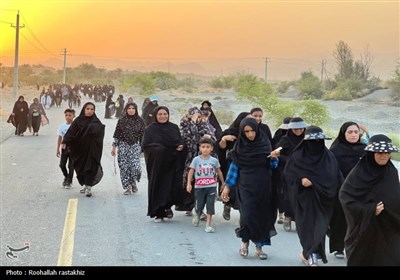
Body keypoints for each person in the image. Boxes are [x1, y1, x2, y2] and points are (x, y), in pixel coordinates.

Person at [221, 118, 280, 260]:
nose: (250, 134)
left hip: (263, 186)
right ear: (242, 132)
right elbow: (234, 168)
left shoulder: (264, 144)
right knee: (247, 215)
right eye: (246, 131)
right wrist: (227, 187)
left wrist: (273, 158)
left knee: (261, 216)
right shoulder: (239, 148)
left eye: (253, 130)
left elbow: (273, 167)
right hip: (245, 186)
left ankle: (259, 247)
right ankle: (244, 243)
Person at [283, 126, 342, 266]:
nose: (315, 144)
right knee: (308, 228)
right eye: (312, 141)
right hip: (305, 200)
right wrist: (300, 180)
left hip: (324, 200)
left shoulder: (329, 157)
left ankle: (308, 253)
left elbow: (336, 177)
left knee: (320, 228)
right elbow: (288, 175)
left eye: (319, 141)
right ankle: (311, 254)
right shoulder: (298, 156)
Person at [339, 134, 400, 266]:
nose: (384, 156)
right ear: (371, 153)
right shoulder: (359, 173)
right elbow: (345, 197)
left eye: (387, 152)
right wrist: (369, 209)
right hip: (365, 230)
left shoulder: (391, 171)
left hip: (389, 227)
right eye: (379, 152)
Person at [329, 122, 366, 259]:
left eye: (356, 132)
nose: (353, 135)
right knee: (341, 219)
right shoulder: (336, 150)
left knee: (361, 220)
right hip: (342, 190)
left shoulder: (365, 149)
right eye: (349, 132)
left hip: (362, 190)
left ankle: (359, 247)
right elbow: (332, 170)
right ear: (343, 133)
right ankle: (339, 247)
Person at [142, 106, 184, 222]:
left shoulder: (174, 127)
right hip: (158, 165)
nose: (162, 116)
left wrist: (181, 146)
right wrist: (158, 149)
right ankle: (158, 212)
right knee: (158, 187)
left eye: (165, 114)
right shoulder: (150, 130)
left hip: (172, 163)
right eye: (160, 114)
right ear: (155, 116)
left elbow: (179, 141)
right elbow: (145, 146)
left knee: (171, 187)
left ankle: (167, 207)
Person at [62, 102, 105, 197]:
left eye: (92, 109)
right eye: (88, 109)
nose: (90, 111)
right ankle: (85, 184)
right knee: (81, 168)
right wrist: (64, 142)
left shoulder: (96, 122)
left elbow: (100, 132)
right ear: (84, 109)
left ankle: (89, 187)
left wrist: (93, 129)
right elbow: (71, 132)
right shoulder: (78, 121)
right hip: (80, 150)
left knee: (91, 167)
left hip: (92, 150)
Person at [218, 112, 251, 221]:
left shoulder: (250, 133)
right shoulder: (230, 132)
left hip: (246, 164)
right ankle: (227, 205)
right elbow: (220, 148)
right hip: (231, 164)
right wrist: (224, 139)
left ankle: (244, 211)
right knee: (231, 186)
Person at [187, 137, 225, 233]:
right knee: (199, 204)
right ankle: (198, 214)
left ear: (211, 148)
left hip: (211, 186)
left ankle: (208, 225)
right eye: (203, 147)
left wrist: (222, 183)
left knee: (210, 205)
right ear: (200, 148)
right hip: (199, 186)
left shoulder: (214, 160)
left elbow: (219, 172)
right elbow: (191, 171)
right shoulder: (196, 160)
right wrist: (189, 184)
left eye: (208, 147)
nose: (205, 149)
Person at [276, 117, 307, 231]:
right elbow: (278, 153)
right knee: (289, 195)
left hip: (304, 171)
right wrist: (290, 160)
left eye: (300, 128)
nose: (298, 131)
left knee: (303, 196)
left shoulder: (307, 139)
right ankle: (288, 216)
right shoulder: (285, 140)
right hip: (289, 172)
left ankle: (300, 220)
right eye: (295, 129)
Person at [111, 103, 145, 195]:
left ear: (136, 109)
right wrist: (114, 147)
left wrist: (144, 148)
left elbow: (143, 135)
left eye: (133, 108)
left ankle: (133, 181)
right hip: (123, 146)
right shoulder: (121, 121)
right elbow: (117, 134)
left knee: (135, 167)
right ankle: (128, 187)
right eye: (129, 108)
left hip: (135, 146)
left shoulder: (140, 121)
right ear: (126, 109)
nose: (131, 110)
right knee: (124, 168)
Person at [56, 109, 76, 188]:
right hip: (64, 147)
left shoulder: (76, 126)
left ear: (73, 116)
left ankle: (69, 181)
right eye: (66, 115)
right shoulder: (62, 126)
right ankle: (66, 176)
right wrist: (57, 149)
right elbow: (60, 138)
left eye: (70, 115)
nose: (68, 117)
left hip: (74, 148)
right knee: (62, 164)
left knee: (71, 165)